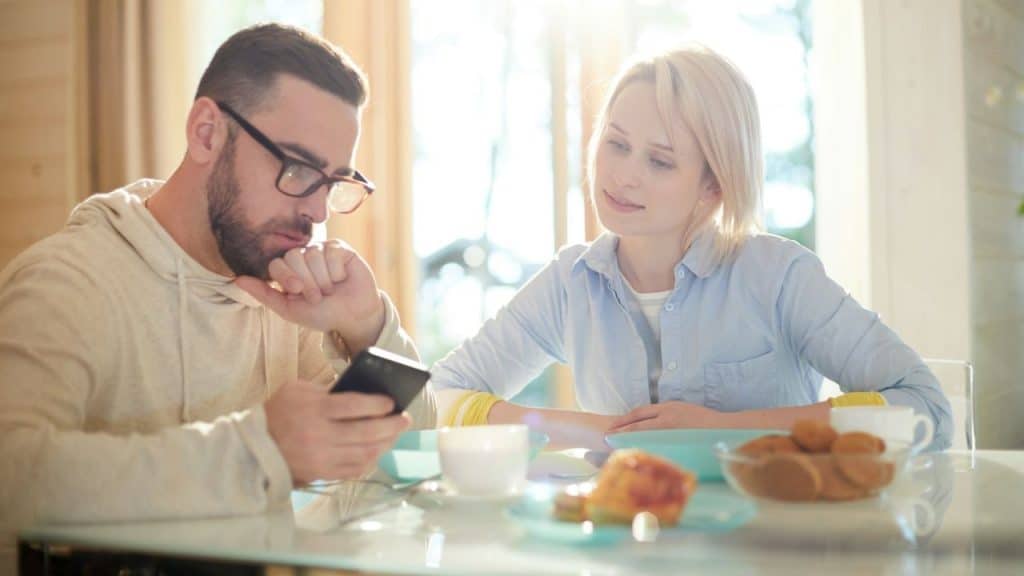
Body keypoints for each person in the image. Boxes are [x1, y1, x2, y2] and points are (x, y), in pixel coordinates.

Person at [0, 22, 436, 554]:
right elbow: (11, 477)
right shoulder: (67, 284)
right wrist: (259, 451)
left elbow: (412, 455)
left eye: (333, 182)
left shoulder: (282, 295)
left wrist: (369, 327)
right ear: (207, 132)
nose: (318, 211)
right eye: (298, 168)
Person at [430, 45, 952, 450]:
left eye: (659, 161)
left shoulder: (778, 275)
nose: (623, 175)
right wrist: (599, 430)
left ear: (714, 186)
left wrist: (724, 430)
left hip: (775, 549)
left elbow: (926, 409)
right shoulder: (570, 283)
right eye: (615, 143)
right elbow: (437, 398)